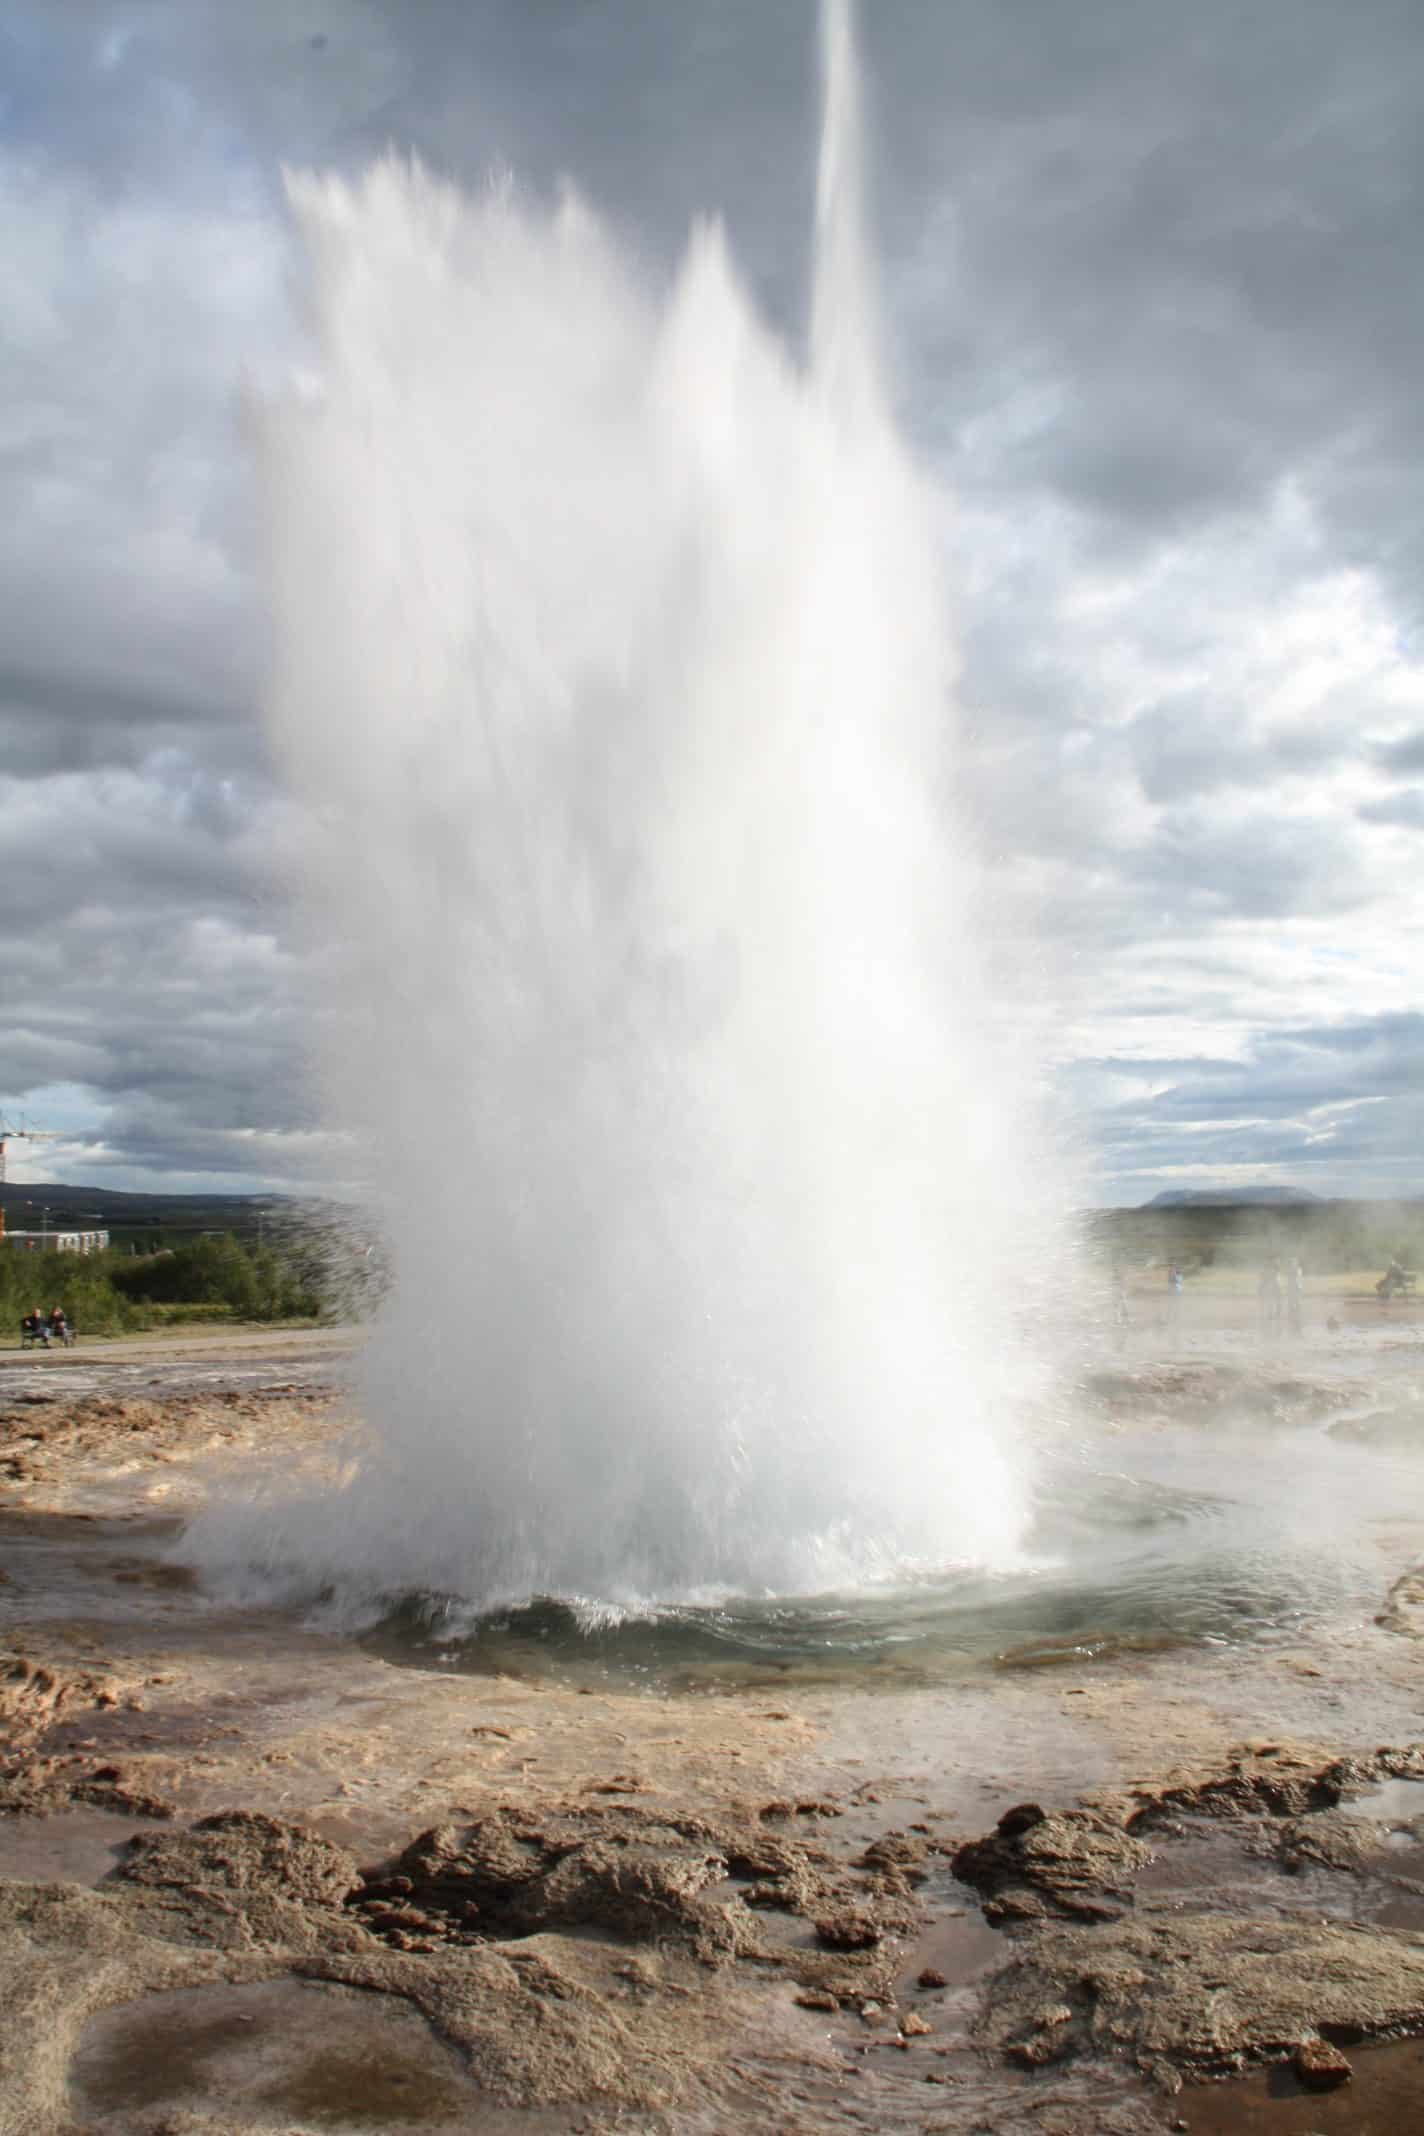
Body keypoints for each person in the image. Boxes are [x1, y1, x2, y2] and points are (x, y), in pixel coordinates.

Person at [1257, 1259, 1282, 1339]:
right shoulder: (1271, 1275)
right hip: (1270, 1293)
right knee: (1270, 1308)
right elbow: (1263, 1283)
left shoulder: (1275, 1276)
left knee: (1272, 1308)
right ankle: (1269, 1327)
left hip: (1272, 1293)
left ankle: (1270, 1326)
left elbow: (1277, 1290)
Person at [1284, 1259, 1303, 1337]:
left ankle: (1297, 1317)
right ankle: (1292, 1315)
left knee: (1297, 1303)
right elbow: (1290, 1277)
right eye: (1292, 1263)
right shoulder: (1291, 1270)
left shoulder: (1298, 1269)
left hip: (1297, 1288)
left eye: (1294, 1263)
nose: (1293, 1264)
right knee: (1291, 1303)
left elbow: (1297, 1277)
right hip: (1292, 1288)